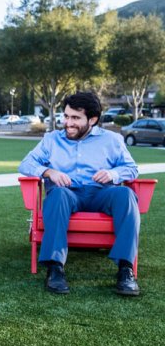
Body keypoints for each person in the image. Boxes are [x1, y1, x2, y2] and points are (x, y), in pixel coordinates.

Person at [18, 91, 140, 296]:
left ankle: (125, 270)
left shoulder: (112, 139)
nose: (68, 123)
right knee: (56, 196)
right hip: (67, 194)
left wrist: (113, 173)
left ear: (92, 120)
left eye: (75, 118)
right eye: (66, 116)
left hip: (102, 193)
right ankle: (55, 268)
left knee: (126, 196)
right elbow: (26, 163)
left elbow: (131, 168)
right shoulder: (52, 139)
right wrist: (48, 172)